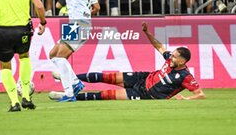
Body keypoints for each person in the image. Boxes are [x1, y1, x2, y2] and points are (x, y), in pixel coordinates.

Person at [50, 22, 206, 101]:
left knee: (106, 95)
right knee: (106, 76)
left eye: (174, 56)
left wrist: (186, 99)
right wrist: (147, 32)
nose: (170, 56)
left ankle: (67, 96)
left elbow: (200, 94)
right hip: (143, 78)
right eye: (171, 54)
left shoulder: (185, 76)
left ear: (181, 61)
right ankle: (67, 77)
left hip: (146, 94)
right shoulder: (171, 60)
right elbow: (159, 46)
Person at [38, 0, 92, 102]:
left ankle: (69, 93)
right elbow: (96, 6)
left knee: (60, 57)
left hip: (78, 23)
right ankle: (75, 83)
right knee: (53, 54)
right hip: (77, 23)